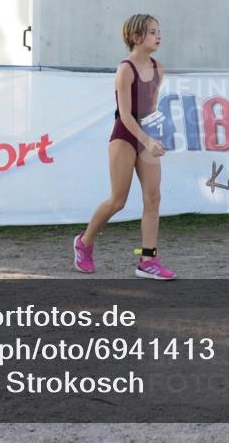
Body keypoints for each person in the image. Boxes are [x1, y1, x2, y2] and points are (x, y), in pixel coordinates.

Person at [73, 14, 175, 280]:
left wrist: (159, 132)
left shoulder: (158, 67)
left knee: (153, 198)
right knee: (118, 200)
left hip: (147, 135)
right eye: (153, 32)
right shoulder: (125, 69)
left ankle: (148, 260)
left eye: (159, 31)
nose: (159, 36)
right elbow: (126, 115)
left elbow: (150, 109)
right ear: (136, 36)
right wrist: (147, 139)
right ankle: (84, 242)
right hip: (125, 135)